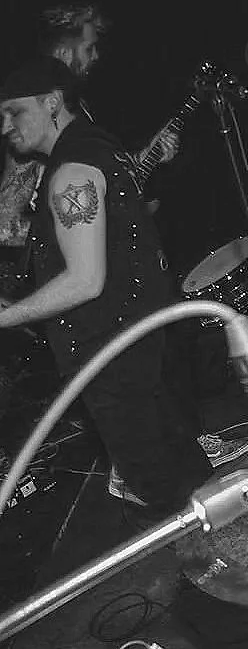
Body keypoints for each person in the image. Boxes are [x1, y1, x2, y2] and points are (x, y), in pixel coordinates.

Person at [0, 57, 214, 515]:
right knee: (189, 478)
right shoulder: (100, 146)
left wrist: (6, 317)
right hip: (144, 341)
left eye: (14, 111)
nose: (4, 126)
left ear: (51, 102)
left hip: (110, 355)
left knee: (164, 497)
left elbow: (85, 281)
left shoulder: (70, 173)